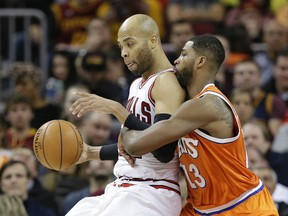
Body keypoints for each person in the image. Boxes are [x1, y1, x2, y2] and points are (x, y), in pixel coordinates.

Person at [121, 34, 278, 215]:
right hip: (201, 207)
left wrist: (122, 120)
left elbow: (135, 145)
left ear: (200, 61)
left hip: (241, 206)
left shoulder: (206, 104)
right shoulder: (188, 105)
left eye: (184, 55)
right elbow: (152, 144)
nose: (176, 60)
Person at [68, 14, 185, 216]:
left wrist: (118, 110)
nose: (124, 53)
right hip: (123, 188)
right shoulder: (136, 85)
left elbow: (164, 150)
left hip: (152, 191)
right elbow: (132, 146)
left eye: (130, 44)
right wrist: (90, 153)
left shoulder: (167, 82)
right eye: (121, 46)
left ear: (153, 40)